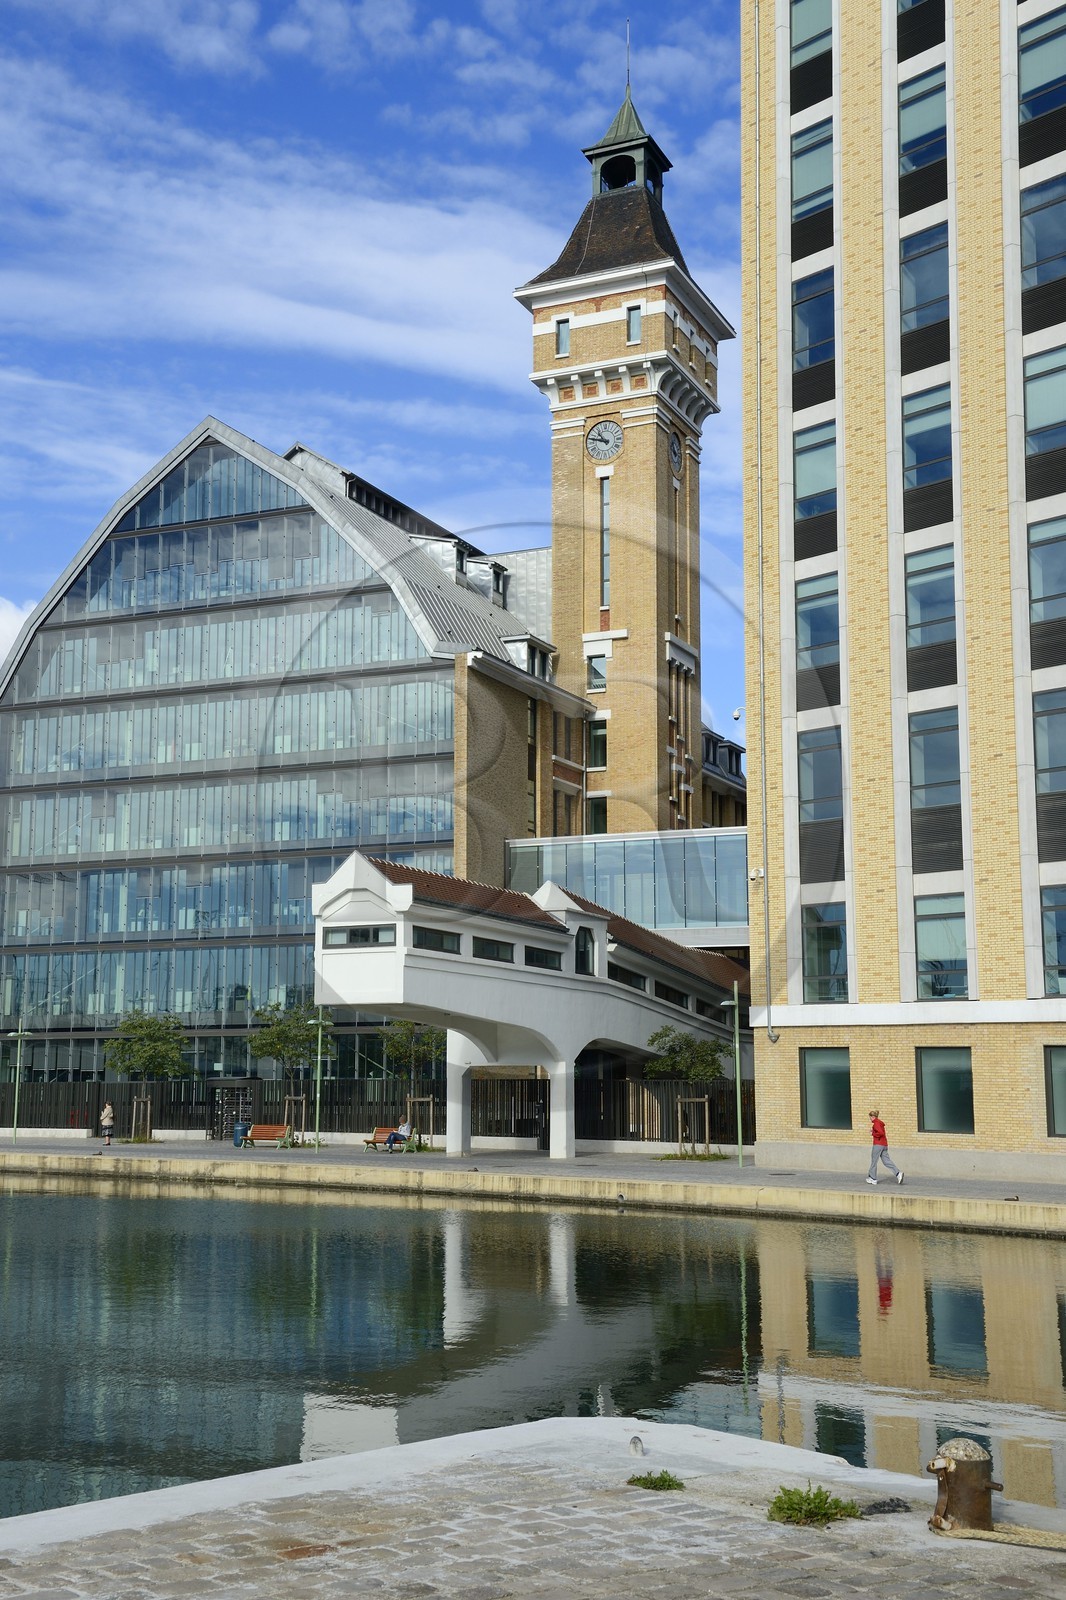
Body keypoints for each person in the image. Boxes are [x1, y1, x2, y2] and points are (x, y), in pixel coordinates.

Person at [866, 1109, 903, 1185]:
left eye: (870, 1117)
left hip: (878, 1144)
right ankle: (898, 1173)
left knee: (874, 1161)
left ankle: (873, 1178)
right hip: (884, 1145)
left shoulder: (876, 1123)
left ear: (872, 1117)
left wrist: (873, 1133)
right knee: (886, 1161)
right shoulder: (880, 1123)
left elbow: (880, 1133)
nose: (869, 1119)